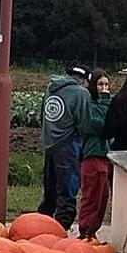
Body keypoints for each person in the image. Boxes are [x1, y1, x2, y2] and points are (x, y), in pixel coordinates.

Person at [39, 64, 91, 225]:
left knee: (50, 190)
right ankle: (62, 228)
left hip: (49, 144)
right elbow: (85, 123)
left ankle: (41, 224)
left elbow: (43, 115)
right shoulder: (81, 93)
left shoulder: (50, 88)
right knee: (67, 190)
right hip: (68, 145)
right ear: (84, 81)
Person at [74, 72, 115, 240]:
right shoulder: (88, 105)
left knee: (103, 197)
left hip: (104, 156)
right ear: (93, 86)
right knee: (91, 196)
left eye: (106, 85)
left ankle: (93, 231)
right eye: (100, 85)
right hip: (91, 156)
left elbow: (111, 125)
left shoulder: (106, 105)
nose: (104, 89)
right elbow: (100, 126)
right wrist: (106, 104)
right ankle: (85, 231)